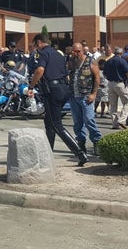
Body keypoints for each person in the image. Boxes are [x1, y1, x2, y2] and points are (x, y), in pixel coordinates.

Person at [28, 34, 87, 166]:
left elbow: (40, 70)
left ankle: (80, 153)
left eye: (35, 45)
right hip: (63, 88)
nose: (35, 48)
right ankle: (47, 155)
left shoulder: (43, 53)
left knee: (56, 125)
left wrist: (31, 86)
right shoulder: (59, 54)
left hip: (52, 90)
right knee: (49, 123)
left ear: (39, 42)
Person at [67, 42, 103, 155]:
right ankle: (81, 144)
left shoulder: (90, 61)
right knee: (78, 122)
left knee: (89, 119)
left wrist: (94, 94)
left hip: (86, 96)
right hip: (74, 96)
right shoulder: (71, 62)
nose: (75, 53)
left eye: (78, 51)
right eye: (74, 51)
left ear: (82, 51)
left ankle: (97, 142)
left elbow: (97, 78)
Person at [103, 46, 128, 130]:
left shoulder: (108, 61)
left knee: (113, 105)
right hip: (120, 83)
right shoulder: (122, 61)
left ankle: (115, 123)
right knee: (127, 102)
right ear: (121, 53)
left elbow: (104, 73)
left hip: (110, 83)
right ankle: (122, 120)